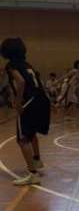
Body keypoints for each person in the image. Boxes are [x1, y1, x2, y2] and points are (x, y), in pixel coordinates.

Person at [0, 37, 51, 186]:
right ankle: (37, 160)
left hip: (30, 101)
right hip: (41, 99)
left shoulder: (11, 65)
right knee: (31, 132)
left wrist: (17, 102)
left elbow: (21, 82)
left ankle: (32, 174)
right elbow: (38, 83)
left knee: (22, 139)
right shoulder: (28, 64)